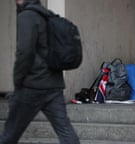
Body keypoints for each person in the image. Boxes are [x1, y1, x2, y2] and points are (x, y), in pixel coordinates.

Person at [0, 0, 80, 143]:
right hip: (54, 86)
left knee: (10, 134)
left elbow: (24, 53)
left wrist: (17, 81)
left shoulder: (26, 17)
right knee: (66, 132)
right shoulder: (48, 16)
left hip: (32, 86)